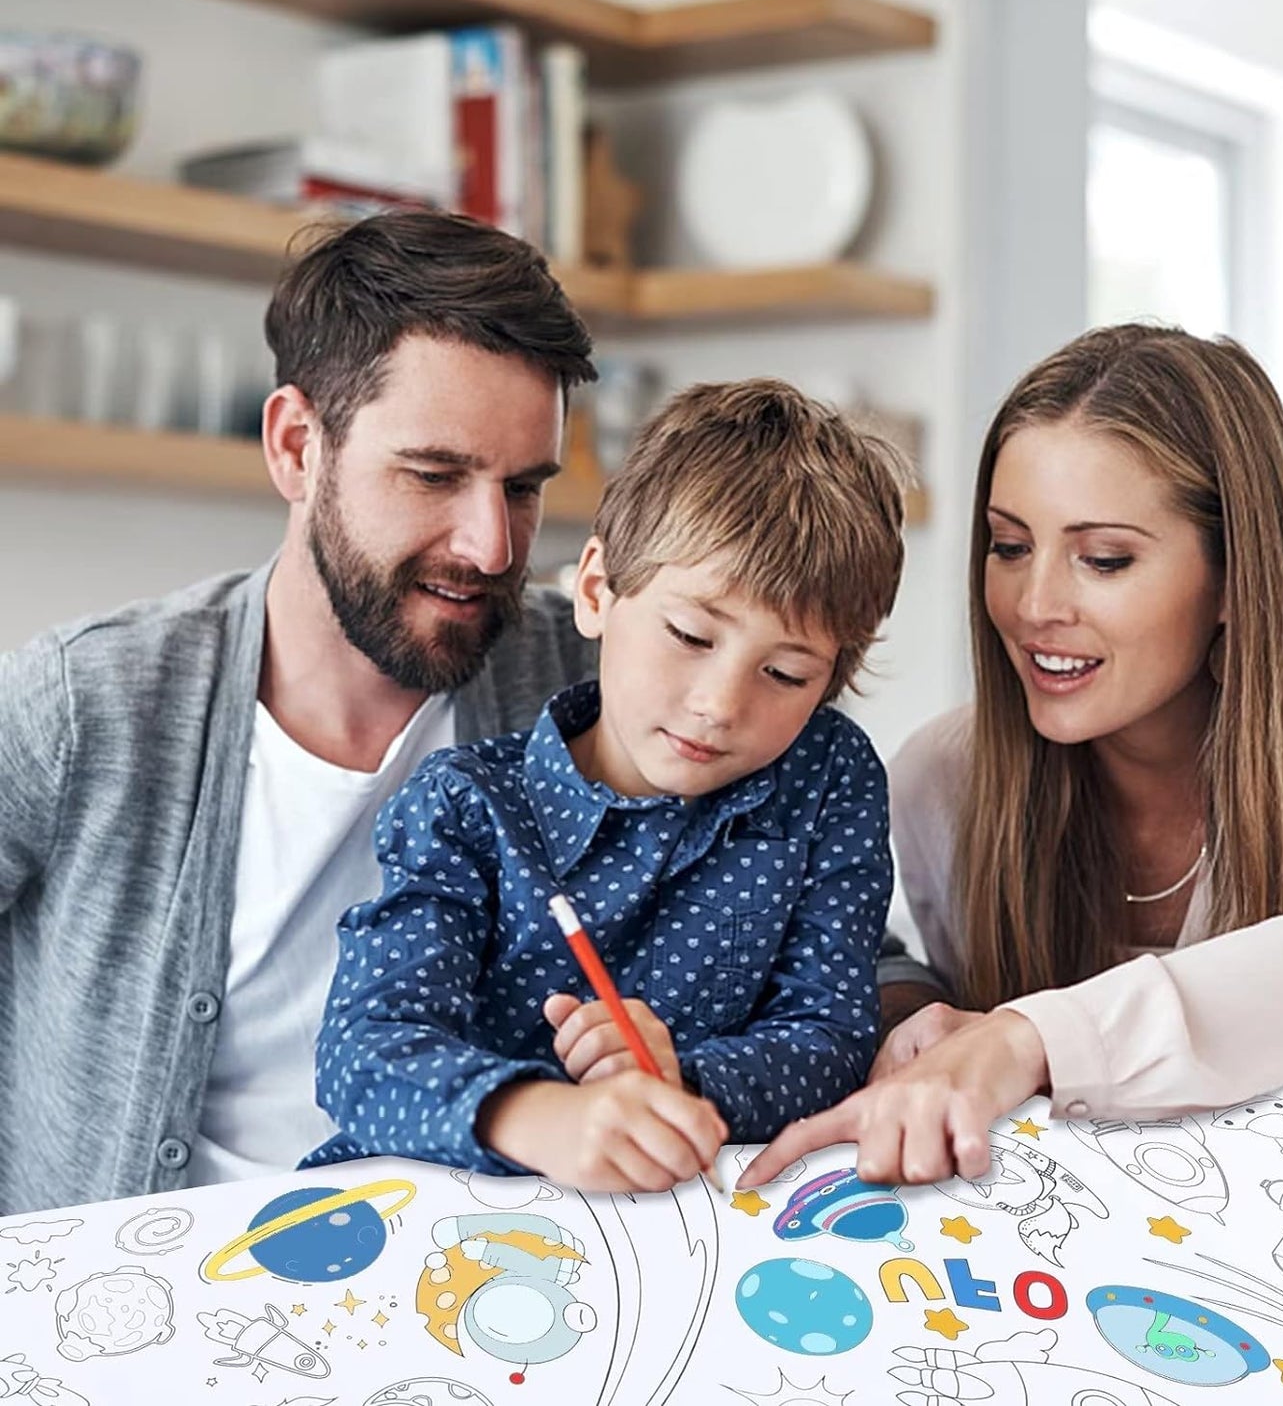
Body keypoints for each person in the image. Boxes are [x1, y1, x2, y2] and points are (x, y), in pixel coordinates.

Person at [742, 323, 1283, 1190]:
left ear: (1232, 575)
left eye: (1103, 559)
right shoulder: (942, 784)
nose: (1035, 604)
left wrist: (1025, 1037)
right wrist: (920, 1018)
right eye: (1008, 546)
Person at [0, 210, 599, 1213]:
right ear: (294, 446)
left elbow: (820, 934)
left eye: (523, 487)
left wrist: (919, 1022)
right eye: (434, 474)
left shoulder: (582, 685)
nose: (492, 545)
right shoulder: (89, 705)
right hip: (141, 1323)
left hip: (469, 1305)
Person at [304, 379, 910, 1194]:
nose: (719, 704)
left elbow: (830, 1035)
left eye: (785, 672)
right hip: (440, 1214)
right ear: (594, 590)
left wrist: (682, 1079)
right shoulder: (466, 807)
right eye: (689, 635)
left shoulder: (826, 777)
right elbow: (364, 1049)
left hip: (694, 1223)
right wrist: (543, 1117)